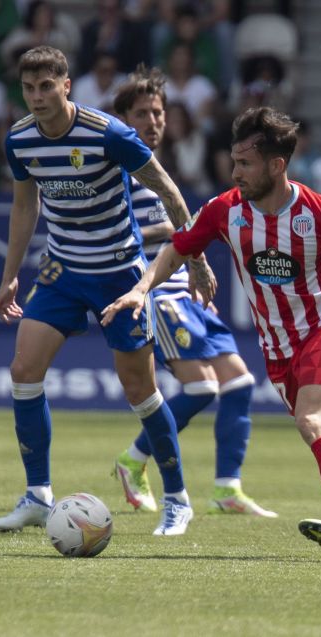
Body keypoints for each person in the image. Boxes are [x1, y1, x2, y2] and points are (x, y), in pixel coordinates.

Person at [102, 107, 321, 559]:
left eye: (245, 164)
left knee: (312, 420)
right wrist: (140, 289)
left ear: (277, 165)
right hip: (279, 346)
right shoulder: (225, 211)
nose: (235, 173)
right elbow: (177, 248)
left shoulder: (319, 210)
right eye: (233, 162)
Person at [0, 46, 216, 537]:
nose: (37, 97)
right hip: (63, 271)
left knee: (140, 390)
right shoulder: (20, 140)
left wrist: (196, 261)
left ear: (67, 85)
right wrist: (10, 274)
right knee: (24, 370)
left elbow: (170, 191)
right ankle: (37, 495)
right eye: (29, 88)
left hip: (119, 274)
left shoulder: (107, 133)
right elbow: (25, 208)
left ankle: (177, 498)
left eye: (47, 86)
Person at [111, 65, 276, 518]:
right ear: (121, 117)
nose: (154, 121)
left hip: (186, 291)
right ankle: (133, 459)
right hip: (157, 294)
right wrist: (183, 230)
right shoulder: (118, 169)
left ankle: (227, 488)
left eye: (159, 111)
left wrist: (196, 258)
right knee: (202, 388)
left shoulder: (158, 169)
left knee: (239, 383)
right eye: (142, 112)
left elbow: (182, 234)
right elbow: (117, 237)